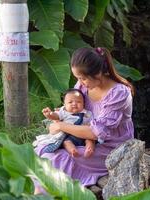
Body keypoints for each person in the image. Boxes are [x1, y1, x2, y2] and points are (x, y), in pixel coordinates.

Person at [34, 47, 134, 187]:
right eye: (78, 78)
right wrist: (59, 116)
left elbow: (96, 133)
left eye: (83, 78)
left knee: (56, 159)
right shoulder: (84, 87)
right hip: (82, 138)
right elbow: (73, 111)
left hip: (111, 146)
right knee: (43, 149)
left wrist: (61, 126)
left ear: (98, 74)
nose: (80, 83)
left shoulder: (118, 93)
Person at [33, 88, 95, 157]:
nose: (74, 104)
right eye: (70, 102)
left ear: (84, 103)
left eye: (78, 102)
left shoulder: (87, 113)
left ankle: (89, 149)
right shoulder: (63, 112)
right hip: (69, 136)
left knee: (90, 140)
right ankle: (73, 151)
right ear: (64, 104)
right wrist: (50, 114)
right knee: (66, 142)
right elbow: (56, 116)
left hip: (84, 134)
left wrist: (89, 125)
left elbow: (93, 123)